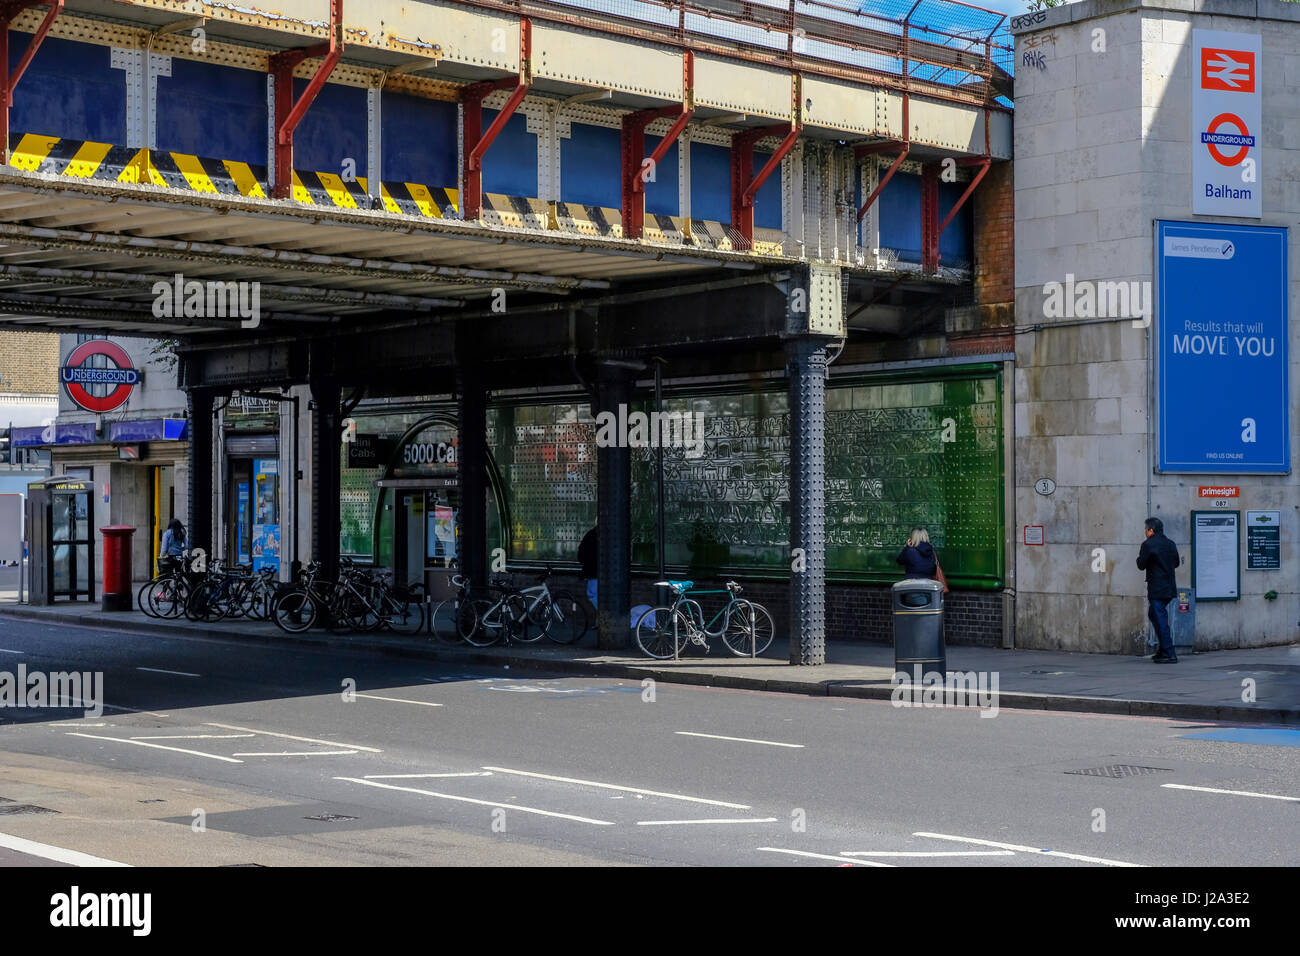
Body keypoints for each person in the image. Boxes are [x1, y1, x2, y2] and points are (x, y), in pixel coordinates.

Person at [1136, 516, 1181, 663]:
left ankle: (1169, 653)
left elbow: (1141, 564)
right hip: (1169, 588)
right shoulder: (1170, 544)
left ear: (1151, 530)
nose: (1145, 532)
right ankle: (1163, 650)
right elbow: (1176, 563)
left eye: (1146, 529)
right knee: (1154, 615)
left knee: (1160, 619)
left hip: (1157, 588)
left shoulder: (1148, 544)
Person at [578, 526, 598, 607]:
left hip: (593, 572)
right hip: (597, 571)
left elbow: (581, 552)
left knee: (592, 594)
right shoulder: (607, 534)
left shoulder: (592, 534)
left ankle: (604, 615)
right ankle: (603, 616)